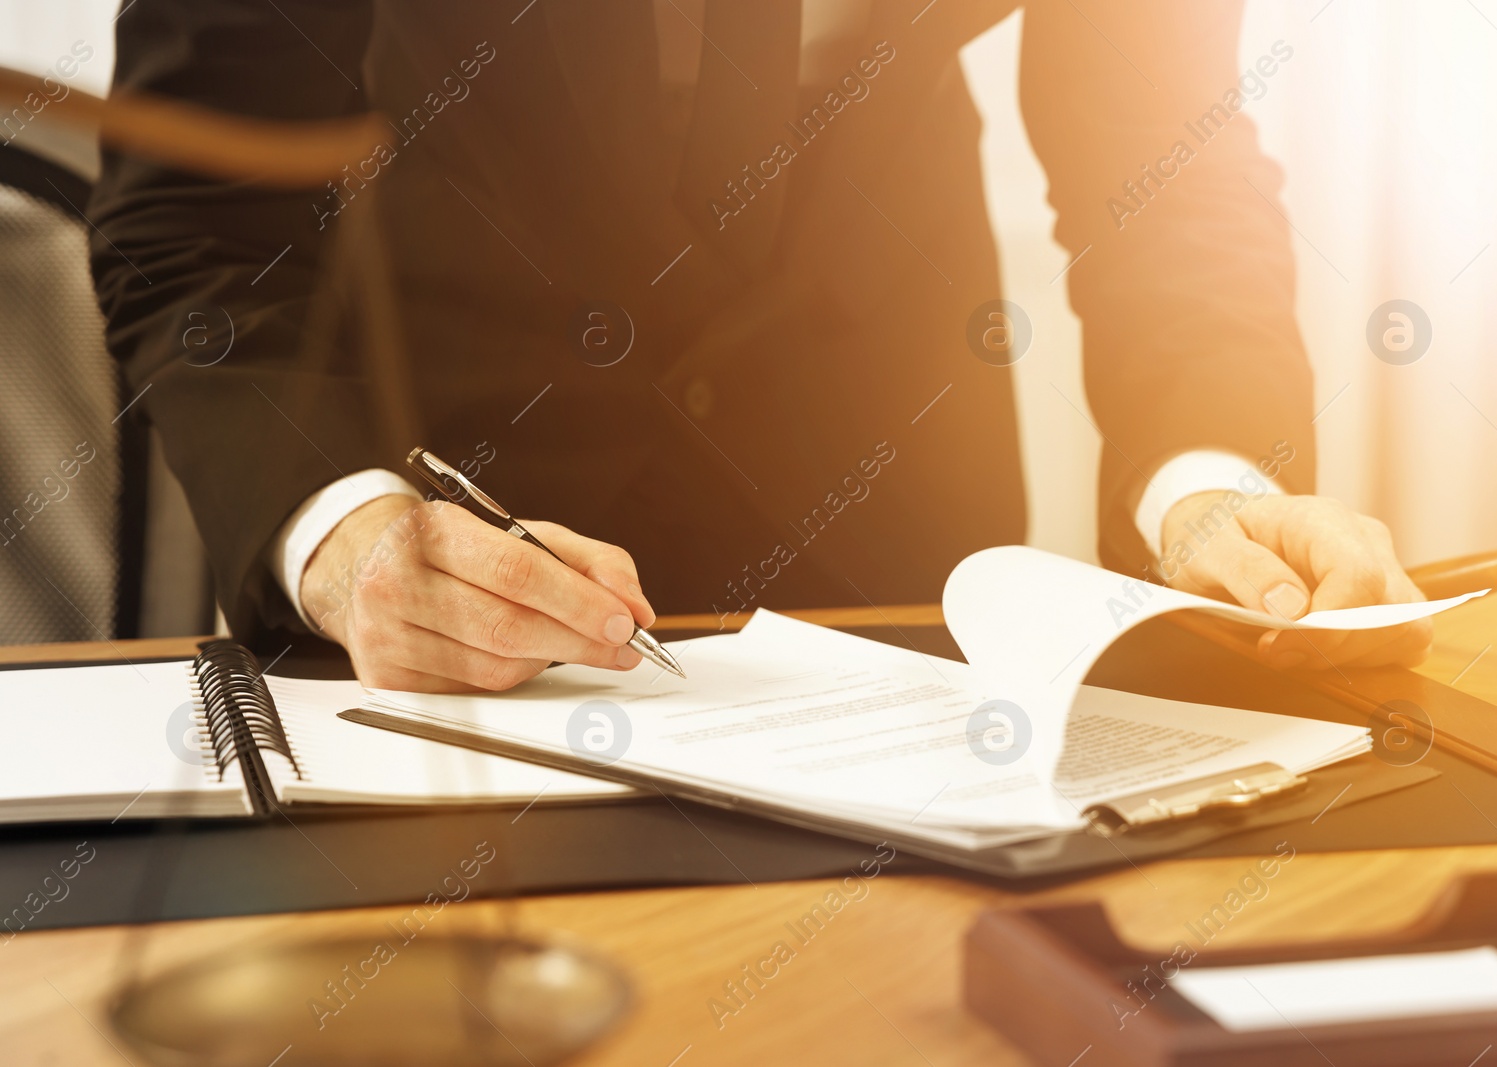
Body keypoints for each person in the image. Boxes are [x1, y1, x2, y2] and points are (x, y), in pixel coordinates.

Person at [88, 0, 1429, 691]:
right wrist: (339, 530)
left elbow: (1163, 156)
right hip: (459, 561)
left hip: (892, 531)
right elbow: (194, 219)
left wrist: (1212, 487)